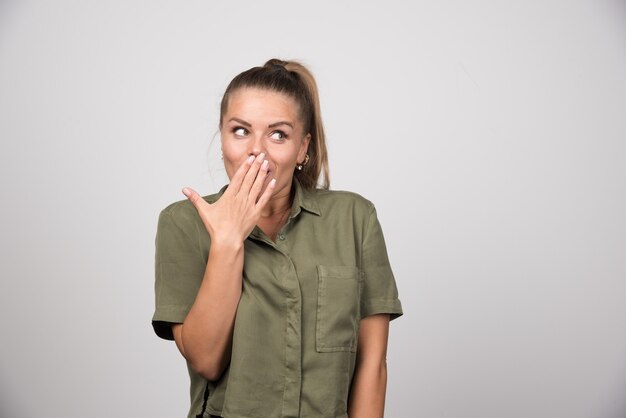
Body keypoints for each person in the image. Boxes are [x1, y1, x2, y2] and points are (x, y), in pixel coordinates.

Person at [152, 58, 403, 418]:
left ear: (303, 148)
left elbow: (372, 364)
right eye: (240, 131)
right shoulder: (183, 223)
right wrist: (228, 241)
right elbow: (206, 360)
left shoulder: (354, 218)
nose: (257, 150)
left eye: (278, 134)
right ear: (222, 139)